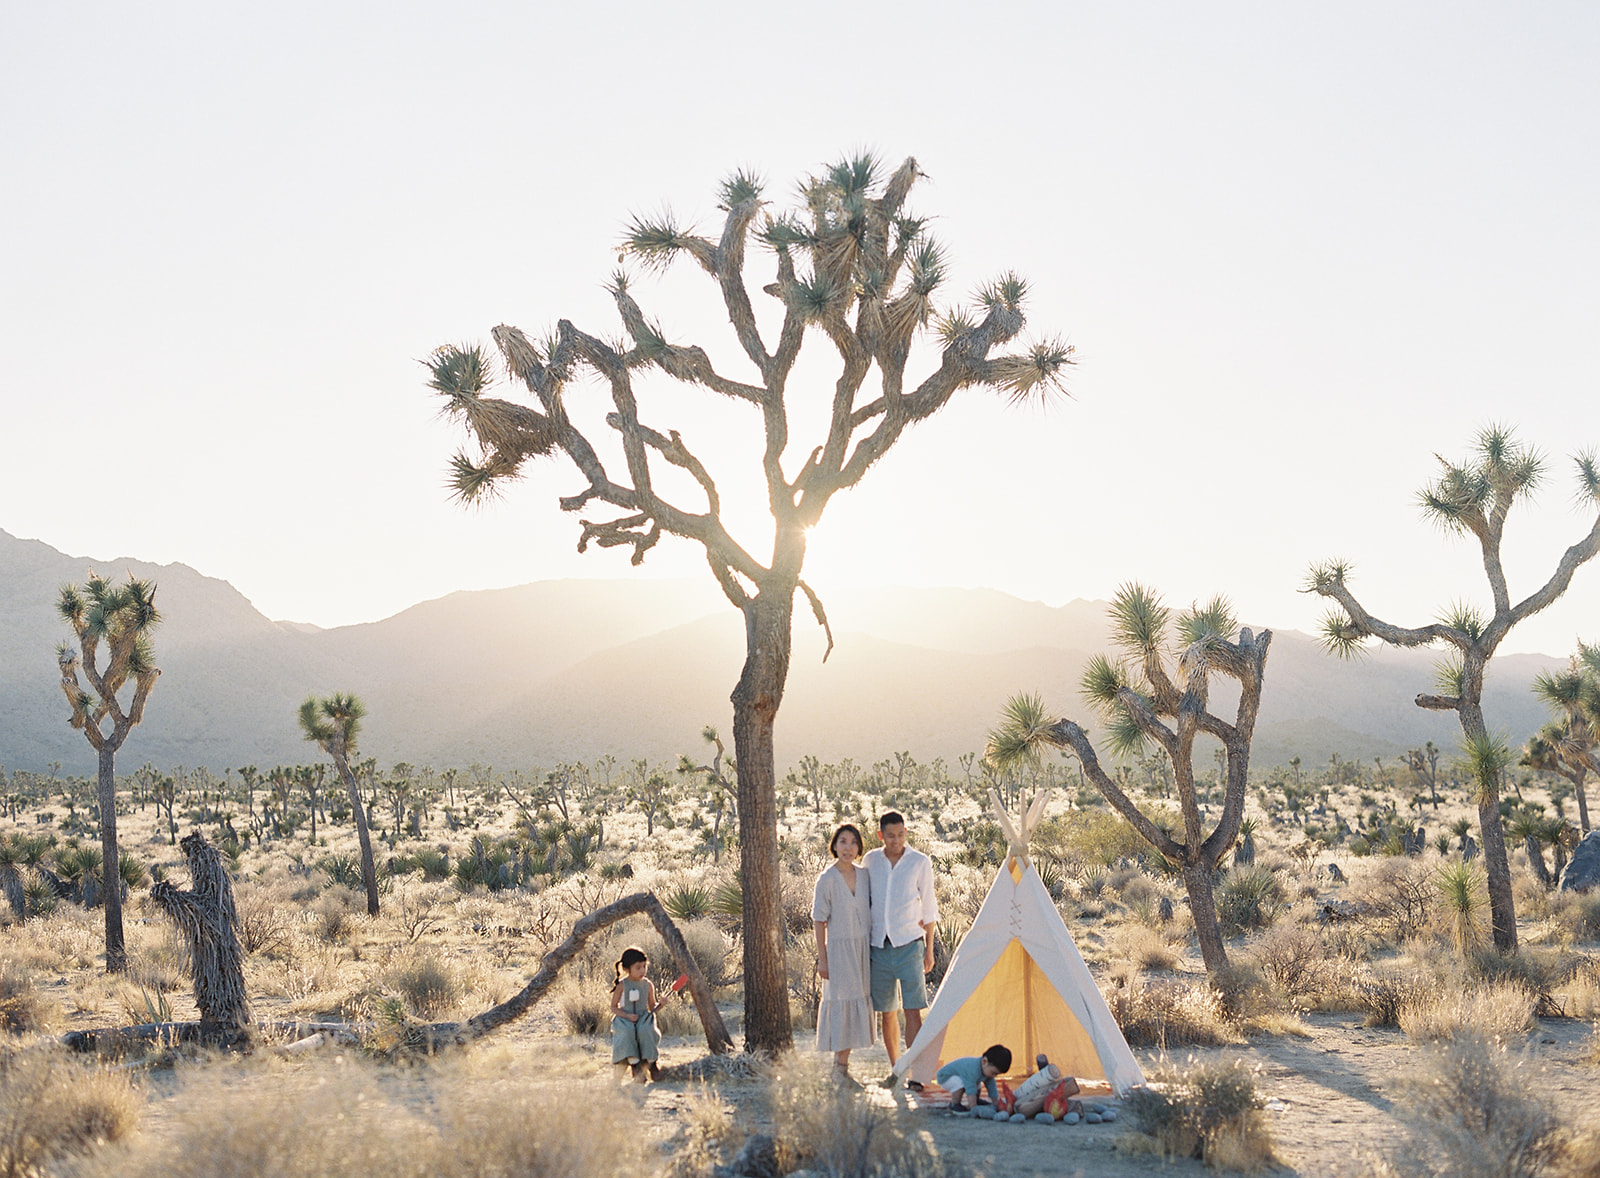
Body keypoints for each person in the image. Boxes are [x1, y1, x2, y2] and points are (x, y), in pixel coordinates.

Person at [862, 810, 938, 1080]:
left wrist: (929, 950)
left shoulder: (919, 862)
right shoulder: (870, 860)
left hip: (910, 945)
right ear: (881, 835)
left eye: (901, 834)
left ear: (906, 832)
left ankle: (916, 1071)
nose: (896, 841)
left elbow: (929, 908)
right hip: (878, 947)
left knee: (913, 1010)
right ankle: (896, 1069)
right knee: (887, 1012)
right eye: (890, 836)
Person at [813, 823, 875, 1076]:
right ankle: (839, 1067)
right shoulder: (826, 879)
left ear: (859, 847)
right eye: (842, 841)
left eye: (853, 842)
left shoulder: (865, 876)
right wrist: (822, 959)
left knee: (856, 1003)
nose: (848, 848)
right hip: (838, 951)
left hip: (862, 950)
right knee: (840, 1003)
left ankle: (844, 1065)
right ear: (834, 846)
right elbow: (819, 920)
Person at [610, 946, 668, 1081]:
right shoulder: (622, 985)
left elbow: (652, 1006)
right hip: (625, 1018)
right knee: (627, 1031)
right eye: (638, 967)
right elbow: (613, 1007)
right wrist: (626, 1016)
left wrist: (661, 1004)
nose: (642, 970)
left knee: (646, 1030)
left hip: (643, 1017)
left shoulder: (647, 985)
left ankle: (652, 1064)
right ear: (626, 969)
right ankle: (634, 1064)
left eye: (644, 966)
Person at [938, 1044, 1013, 1115]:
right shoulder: (973, 1069)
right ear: (984, 1061)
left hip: (959, 1076)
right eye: (994, 1073)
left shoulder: (986, 1070)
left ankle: (976, 1100)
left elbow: (992, 1088)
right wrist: (973, 1107)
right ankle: (954, 1105)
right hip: (945, 1076)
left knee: (977, 1084)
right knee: (960, 1084)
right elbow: (970, 1089)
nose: (994, 1076)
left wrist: (996, 1104)